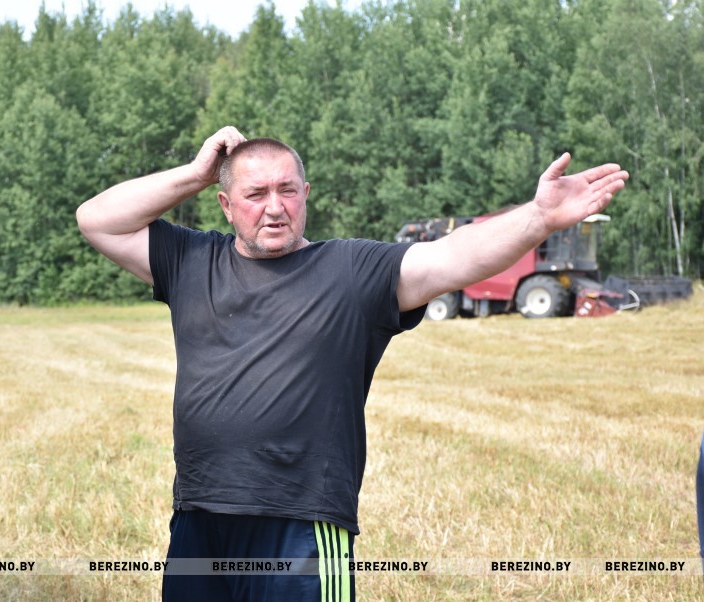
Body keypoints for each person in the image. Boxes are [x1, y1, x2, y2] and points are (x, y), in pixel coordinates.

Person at [76, 126, 629, 601]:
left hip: (301, 522)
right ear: (225, 204)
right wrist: (196, 173)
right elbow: (97, 219)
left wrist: (538, 217)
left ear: (306, 195)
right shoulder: (192, 260)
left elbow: (453, 257)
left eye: (287, 190)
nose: (275, 207)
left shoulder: (350, 270)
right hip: (200, 516)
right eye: (256, 193)